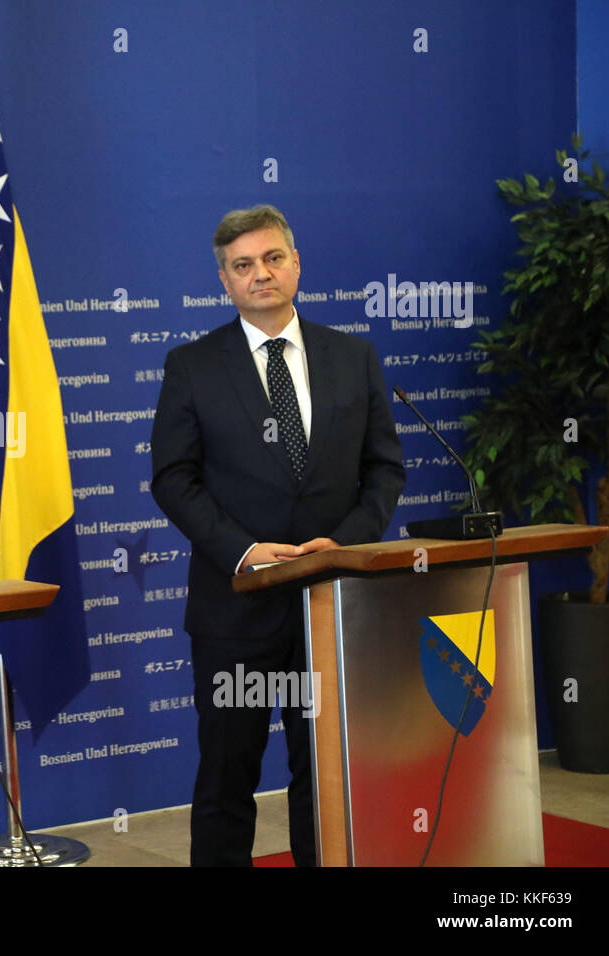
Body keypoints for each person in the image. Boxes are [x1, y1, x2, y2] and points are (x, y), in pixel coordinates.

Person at [150, 206, 405, 866]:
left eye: (272, 259)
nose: (260, 274)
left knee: (321, 777)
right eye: (243, 266)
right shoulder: (192, 366)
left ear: (296, 264)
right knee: (227, 778)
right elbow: (173, 479)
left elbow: (385, 468)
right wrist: (242, 549)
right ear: (224, 281)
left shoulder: (354, 357)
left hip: (330, 606)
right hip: (236, 607)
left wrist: (346, 542)